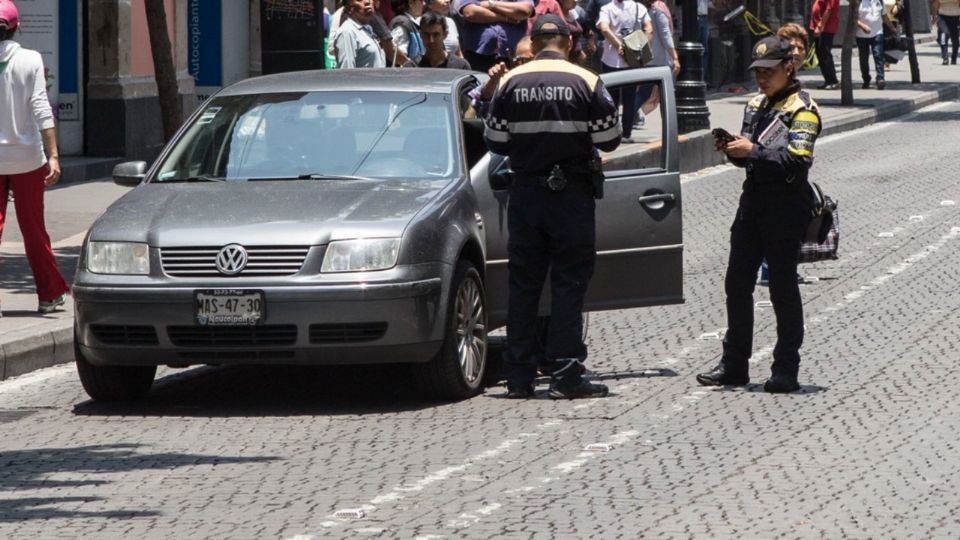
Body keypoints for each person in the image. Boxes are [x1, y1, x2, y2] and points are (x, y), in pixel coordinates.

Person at [483, 14, 621, 399]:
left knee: (523, 285)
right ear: (566, 41)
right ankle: (565, 374)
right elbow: (610, 137)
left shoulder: (510, 81)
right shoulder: (587, 80)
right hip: (570, 197)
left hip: (526, 195)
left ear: (534, 38)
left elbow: (495, 140)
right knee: (568, 285)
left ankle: (519, 376)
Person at [696, 36, 822, 394]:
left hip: (785, 205)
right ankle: (734, 365)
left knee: (782, 286)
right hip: (752, 203)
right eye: (758, 72)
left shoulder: (804, 109)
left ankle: (786, 368)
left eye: (769, 72)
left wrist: (753, 151)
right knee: (736, 282)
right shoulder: (755, 104)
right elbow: (752, 153)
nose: (762, 78)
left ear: (789, 67)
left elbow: (798, 161)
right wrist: (734, 149)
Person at [0, 1, 70, 316]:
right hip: (28, 158)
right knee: (33, 228)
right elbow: (41, 107)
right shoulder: (30, 59)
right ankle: (48, 294)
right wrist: (53, 154)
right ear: (18, 27)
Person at [596, 0, 652, 143]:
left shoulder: (606, 8)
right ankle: (626, 133)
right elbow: (649, 28)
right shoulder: (639, 7)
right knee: (630, 98)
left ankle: (613, 133)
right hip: (632, 60)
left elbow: (604, 28)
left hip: (610, 59)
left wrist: (619, 46)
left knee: (611, 99)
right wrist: (640, 47)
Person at [458, 0, 534, 72]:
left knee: (509, 84)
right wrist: (506, 18)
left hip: (511, 55)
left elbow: (525, 11)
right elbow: (470, 12)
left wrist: (491, 4)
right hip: (477, 53)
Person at [334, 0, 388, 68]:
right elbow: (346, 72)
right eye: (360, 0)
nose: (367, 1)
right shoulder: (347, 32)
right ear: (350, 8)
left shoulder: (368, 30)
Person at [809, 0, 840, 88]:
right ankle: (828, 80)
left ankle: (832, 81)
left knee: (825, 54)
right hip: (819, 27)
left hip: (826, 28)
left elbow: (828, 10)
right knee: (820, 54)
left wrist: (820, 26)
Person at [857, 0, 886, 89]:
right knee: (864, 58)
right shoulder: (859, 2)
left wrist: (892, 28)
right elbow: (853, 18)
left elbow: (884, 16)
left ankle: (880, 78)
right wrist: (863, 27)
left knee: (878, 55)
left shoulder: (880, 1)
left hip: (877, 32)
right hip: (861, 35)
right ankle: (866, 79)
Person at [390, 0, 426, 66]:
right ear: (411, 3)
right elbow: (394, 52)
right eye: (421, 1)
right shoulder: (401, 23)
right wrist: (411, 66)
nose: (424, 4)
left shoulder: (412, 24)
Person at [932, 0, 960, 65]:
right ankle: (945, 57)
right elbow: (935, 4)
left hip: (956, 17)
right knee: (943, 35)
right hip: (943, 17)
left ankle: (954, 58)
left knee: (955, 40)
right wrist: (934, 17)